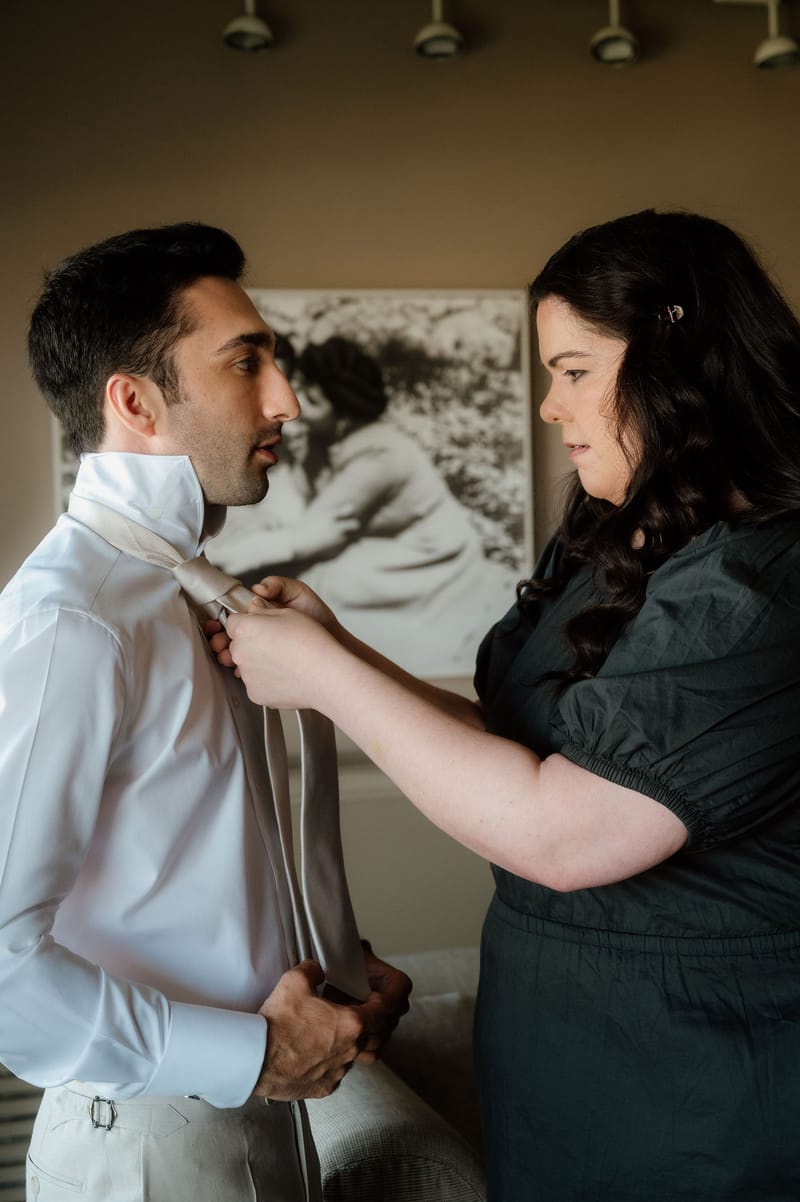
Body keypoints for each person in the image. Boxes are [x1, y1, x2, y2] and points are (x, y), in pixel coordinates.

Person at [214, 210, 800, 1201]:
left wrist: (324, 677)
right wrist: (340, 646)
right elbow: (524, 750)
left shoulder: (762, 582)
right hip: (558, 1058)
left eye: (571, 369)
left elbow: (565, 829)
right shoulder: (615, 542)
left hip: (703, 1089)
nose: (546, 405)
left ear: (676, 354)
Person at [0, 222, 410, 1202]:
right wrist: (248, 1052)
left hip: (255, 1126)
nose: (288, 401)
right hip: (146, 1149)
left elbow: (188, 862)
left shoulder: (188, 590)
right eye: (247, 363)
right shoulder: (71, 620)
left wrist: (335, 977)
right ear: (135, 400)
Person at [210, 334, 519, 676]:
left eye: (313, 399)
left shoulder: (380, 456)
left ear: (341, 408)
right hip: (365, 541)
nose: (298, 408)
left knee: (316, 586)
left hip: (422, 557)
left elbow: (315, 537)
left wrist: (229, 558)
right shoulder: (324, 441)